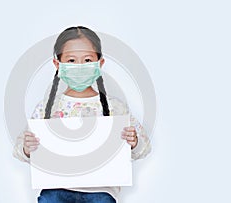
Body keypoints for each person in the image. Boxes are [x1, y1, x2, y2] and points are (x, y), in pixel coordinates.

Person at [13, 26, 151, 203]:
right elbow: (20, 150)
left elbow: (144, 148)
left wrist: (134, 142)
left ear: (99, 63)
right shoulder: (46, 108)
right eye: (71, 60)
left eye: (87, 60)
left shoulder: (115, 108)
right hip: (55, 189)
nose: (79, 67)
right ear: (58, 64)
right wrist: (27, 147)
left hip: (101, 192)